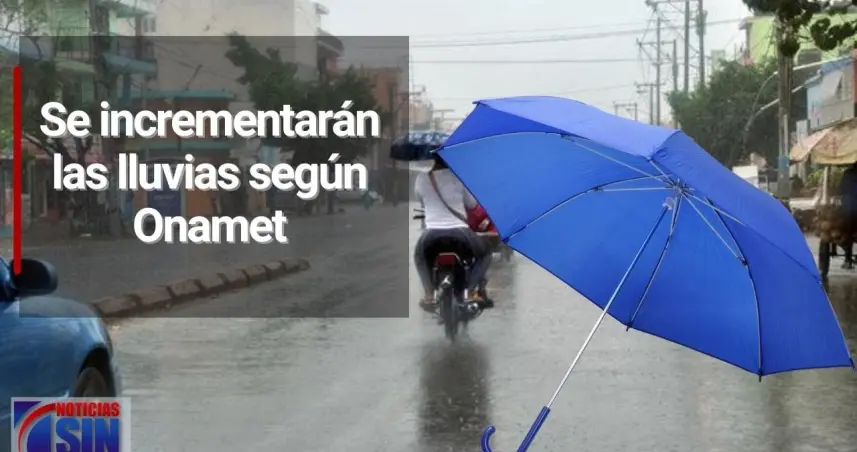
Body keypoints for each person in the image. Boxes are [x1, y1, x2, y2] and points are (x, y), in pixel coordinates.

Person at [414, 152, 492, 310]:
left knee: (419, 256)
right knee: (485, 254)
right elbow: (472, 204)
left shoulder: (421, 178)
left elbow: (421, 200)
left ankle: (429, 293)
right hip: (460, 234)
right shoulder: (459, 177)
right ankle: (471, 291)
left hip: (431, 235)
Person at [839, 162, 857, 269]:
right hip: (850, 209)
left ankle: (848, 259)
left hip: (848, 211)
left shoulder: (847, 174)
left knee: (847, 234)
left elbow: (841, 190)